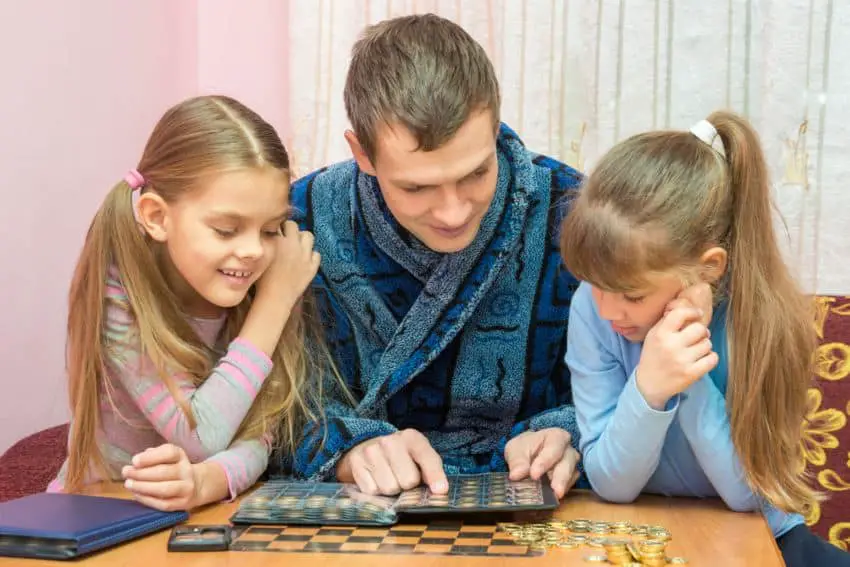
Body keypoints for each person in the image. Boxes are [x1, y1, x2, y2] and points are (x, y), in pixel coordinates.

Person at [282, 14, 583, 499]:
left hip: (539, 514)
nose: (453, 211)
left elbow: (626, 383)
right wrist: (345, 452)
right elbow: (267, 414)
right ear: (362, 153)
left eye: (476, 173)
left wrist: (571, 433)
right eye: (417, 187)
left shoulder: (570, 212)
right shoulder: (302, 224)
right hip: (362, 523)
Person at [560, 111, 850, 566]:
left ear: (708, 269)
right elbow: (612, 483)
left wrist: (685, 373)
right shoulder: (591, 311)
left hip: (764, 538)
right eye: (595, 285)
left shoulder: (765, 318)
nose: (607, 310)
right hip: (641, 534)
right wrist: (649, 388)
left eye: (632, 295)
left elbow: (748, 495)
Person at [48, 95, 335, 511]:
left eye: (271, 229)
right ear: (157, 217)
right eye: (225, 229)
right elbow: (201, 436)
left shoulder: (254, 279)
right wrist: (273, 304)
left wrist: (209, 481)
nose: (254, 250)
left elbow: (260, 432)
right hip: (96, 513)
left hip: (192, 520)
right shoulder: (121, 290)